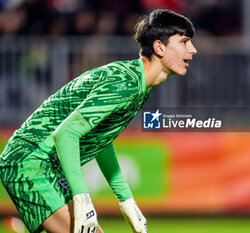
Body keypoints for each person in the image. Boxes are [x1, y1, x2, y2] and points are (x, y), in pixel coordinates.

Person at [0, 9, 197, 233]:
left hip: (44, 164)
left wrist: (127, 201)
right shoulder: (126, 85)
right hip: (30, 163)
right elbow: (65, 134)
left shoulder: (137, 85)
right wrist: (83, 199)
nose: (192, 50)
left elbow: (100, 140)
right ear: (159, 47)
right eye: (184, 41)